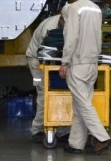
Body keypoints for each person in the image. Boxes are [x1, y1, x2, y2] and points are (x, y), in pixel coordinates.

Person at [58, 0, 111, 155]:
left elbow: (71, 37)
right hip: (92, 63)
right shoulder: (95, 8)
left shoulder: (74, 8)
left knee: (83, 104)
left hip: (78, 63)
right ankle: (76, 143)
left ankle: (103, 137)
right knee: (80, 104)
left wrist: (65, 62)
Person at [26, 13, 69, 144]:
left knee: (62, 93)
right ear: (61, 19)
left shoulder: (69, 23)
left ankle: (63, 131)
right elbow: (44, 54)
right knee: (44, 94)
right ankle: (37, 130)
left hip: (54, 61)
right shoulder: (49, 28)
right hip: (36, 61)